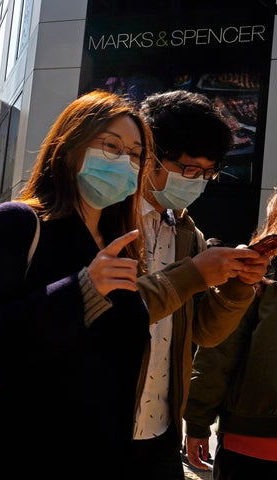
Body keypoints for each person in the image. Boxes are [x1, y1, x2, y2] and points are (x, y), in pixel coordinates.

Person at [0, 90, 152, 477]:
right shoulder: (18, 222)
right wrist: (81, 290)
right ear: (70, 147)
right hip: (22, 454)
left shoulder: (122, 242)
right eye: (111, 146)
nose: (125, 161)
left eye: (135, 154)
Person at [126, 89, 269, 479]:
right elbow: (110, 315)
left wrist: (238, 287)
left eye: (208, 173)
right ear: (149, 154)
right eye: (189, 169)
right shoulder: (108, 220)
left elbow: (204, 333)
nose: (198, 182)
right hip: (98, 427)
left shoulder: (189, 233)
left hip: (159, 431)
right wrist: (194, 275)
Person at [183, 188, 277, 479]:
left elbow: (220, 351)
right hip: (255, 435)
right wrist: (197, 421)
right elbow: (220, 349)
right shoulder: (256, 267)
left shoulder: (258, 267)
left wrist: (198, 421)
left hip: (252, 434)